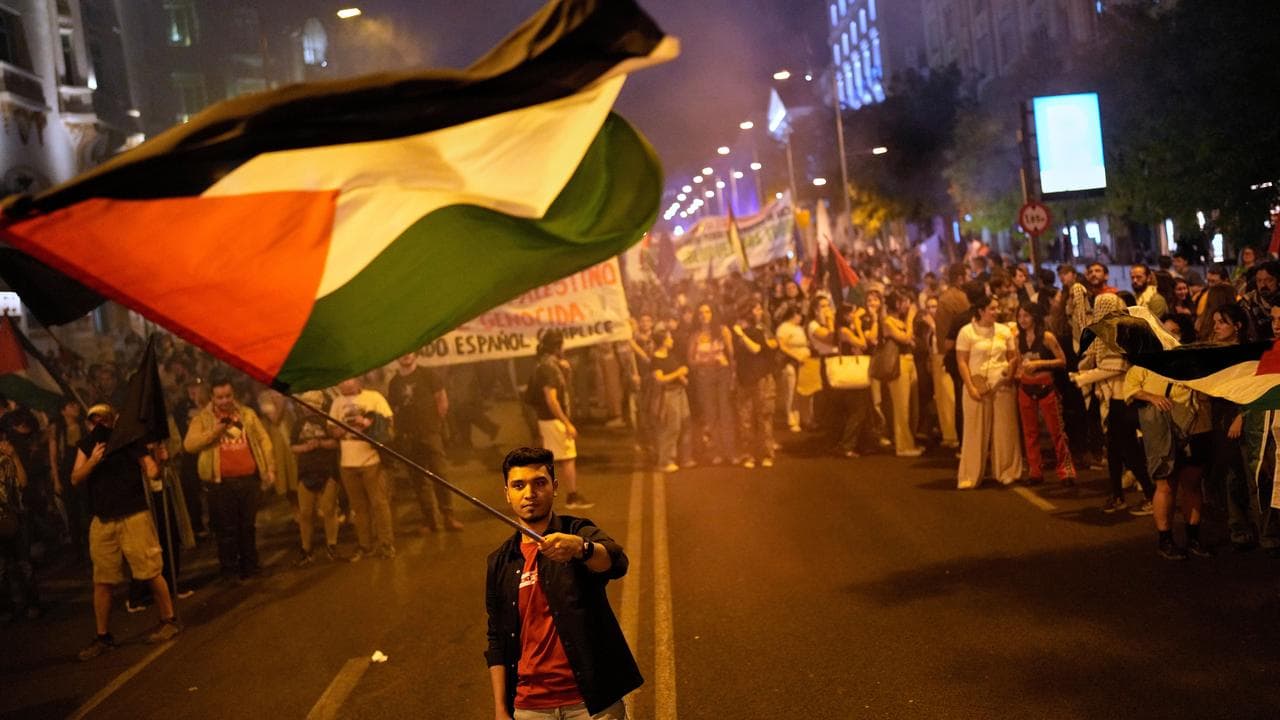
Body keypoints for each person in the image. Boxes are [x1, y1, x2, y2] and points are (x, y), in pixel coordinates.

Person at [485, 447, 640, 720]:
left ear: (554, 487)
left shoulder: (576, 531)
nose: (530, 493)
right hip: (530, 706)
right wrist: (500, 708)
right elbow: (497, 637)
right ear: (507, 493)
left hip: (591, 704)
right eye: (519, 486)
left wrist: (581, 548)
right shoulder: (500, 561)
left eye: (539, 483)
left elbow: (616, 562)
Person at [73, 404, 181, 660]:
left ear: (113, 420)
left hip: (134, 515)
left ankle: (169, 620)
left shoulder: (128, 442)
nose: (99, 424)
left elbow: (151, 471)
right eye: (94, 420)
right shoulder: (87, 445)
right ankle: (103, 637)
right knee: (102, 580)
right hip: (103, 520)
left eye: (103, 419)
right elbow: (75, 477)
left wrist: (158, 457)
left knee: (150, 570)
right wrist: (93, 461)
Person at [183, 377, 276, 580]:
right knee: (227, 529)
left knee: (248, 526)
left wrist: (269, 468)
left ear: (234, 395)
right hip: (221, 484)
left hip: (249, 480)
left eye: (228, 396)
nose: (225, 400)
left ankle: (250, 566)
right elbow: (189, 445)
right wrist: (214, 432)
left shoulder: (246, 414)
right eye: (220, 397)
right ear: (212, 397)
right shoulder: (203, 418)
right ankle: (230, 570)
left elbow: (263, 440)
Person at [1074, 294, 1155, 515]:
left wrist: (1082, 378)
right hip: (1115, 400)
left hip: (1123, 401)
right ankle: (1118, 495)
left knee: (1129, 452)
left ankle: (1151, 495)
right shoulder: (1111, 332)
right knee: (1114, 451)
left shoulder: (1119, 332)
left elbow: (1115, 367)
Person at [1125, 361, 1212, 561]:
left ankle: (1193, 538)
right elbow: (1130, 388)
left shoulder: (1197, 358)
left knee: (1192, 483)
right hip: (1165, 429)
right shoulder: (1147, 362)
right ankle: (1165, 540)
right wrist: (1151, 397)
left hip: (1198, 425)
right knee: (1165, 484)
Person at [388, 352, 463, 533]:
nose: (406, 356)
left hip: (430, 434)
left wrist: (435, 425)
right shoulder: (394, 383)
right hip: (408, 437)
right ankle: (430, 520)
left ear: (415, 354)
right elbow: (393, 408)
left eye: (409, 352)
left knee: (440, 474)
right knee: (418, 479)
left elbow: (441, 399)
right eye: (402, 353)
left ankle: (448, 516)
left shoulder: (428, 374)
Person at [955, 296, 1023, 489]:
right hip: (977, 385)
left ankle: (1007, 471)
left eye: (997, 308)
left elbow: (1012, 357)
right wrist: (970, 387)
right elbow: (962, 361)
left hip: (1001, 385)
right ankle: (970, 475)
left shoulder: (1004, 331)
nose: (996, 312)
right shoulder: (967, 332)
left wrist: (1009, 376)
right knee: (974, 431)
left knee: (1005, 430)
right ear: (981, 311)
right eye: (992, 309)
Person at [328, 377, 397, 560]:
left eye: (348, 380)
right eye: (341, 381)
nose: (344, 384)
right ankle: (365, 545)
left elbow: (389, 423)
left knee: (379, 504)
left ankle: (386, 544)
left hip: (372, 460)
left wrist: (366, 423)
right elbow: (332, 429)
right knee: (359, 508)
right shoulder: (337, 402)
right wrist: (344, 429)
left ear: (358, 380)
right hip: (348, 463)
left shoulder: (374, 397)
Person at [529, 330, 592, 510]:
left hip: (547, 419)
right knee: (568, 457)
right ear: (557, 347)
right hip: (553, 420)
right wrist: (566, 423)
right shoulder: (549, 368)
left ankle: (535, 496)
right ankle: (572, 497)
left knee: (551, 459)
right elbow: (552, 399)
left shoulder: (546, 364)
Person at [1013, 303, 1075, 486]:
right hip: (1026, 387)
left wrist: (1039, 364)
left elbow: (1062, 361)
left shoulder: (1047, 337)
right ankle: (1035, 471)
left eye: (1026, 315)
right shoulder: (1017, 338)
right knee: (1029, 432)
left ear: (1035, 316)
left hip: (1046, 386)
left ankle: (1066, 471)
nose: (1023, 320)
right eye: (1020, 316)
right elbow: (1019, 361)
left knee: (1057, 431)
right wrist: (1017, 371)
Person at [290, 391, 341, 565]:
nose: (307, 407)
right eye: (305, 403)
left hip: (327, 470)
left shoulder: (328, 421)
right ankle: (306, 549)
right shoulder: (298, 424)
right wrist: (305, 448)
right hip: (306, 472)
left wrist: (320, 444)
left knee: (329, 509)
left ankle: (332, 545)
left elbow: (336, 443)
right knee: (305, 513)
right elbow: (293, 446)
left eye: (311, 403)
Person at [732, 299, 778, 468]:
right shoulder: (737, 332)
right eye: (756, 309)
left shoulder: (759, 331)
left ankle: (766, 454)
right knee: (745, 419)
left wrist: (742, 335)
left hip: (761, 378)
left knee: (764, 416)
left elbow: (756, 349)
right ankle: (748, 454)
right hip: (744, 379)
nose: (760, 312)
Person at [688, 303, 736, 465]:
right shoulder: (695, 336)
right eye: (701, 312)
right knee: (711, 414)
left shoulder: (723, 331)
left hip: (722, 374)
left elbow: (732, 355)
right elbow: (690, 360)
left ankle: (730, 451)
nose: (704, 315)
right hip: (704, 376)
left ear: (713, 313)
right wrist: (704, 361)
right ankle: (718, 451)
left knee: (725, 412)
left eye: (707, 311)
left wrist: (732, 374)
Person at [881, 289, 923, 457]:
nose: (907, 305)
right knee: (901, 407)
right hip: (898, 364)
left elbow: (910, 339)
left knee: (913, 406)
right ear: (897, 303)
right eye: (904, 302)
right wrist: (911, 319)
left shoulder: (901, 320)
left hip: (909, 361)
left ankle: (910, 441)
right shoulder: (888, 322)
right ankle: (903, 446)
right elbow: (905, 338)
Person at [650, 329, 693, 473]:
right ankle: (665, 460)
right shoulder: (656, 359)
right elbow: (660, 379)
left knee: (685, 424)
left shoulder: (671, 355)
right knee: (671, 427)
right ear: (663, 341)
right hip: (668, 395)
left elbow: (677, 371)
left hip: (680, 393)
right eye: (669, 338)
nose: (672, 340)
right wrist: (678, 373)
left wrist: (683, 377)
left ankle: (686, 457)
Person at [921, 295, 958, 448]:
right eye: (929, 307)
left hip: (944, 359)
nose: (932, 310)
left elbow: (944, 342)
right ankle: (947, 434)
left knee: (949, 396)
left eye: (935, 306)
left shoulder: (944, 324)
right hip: (935, 360)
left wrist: (934, 326)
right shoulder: (928, 326)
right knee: (940, 399)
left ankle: (954, 434)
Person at [774, 302, 810, 433]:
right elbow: (782, 346)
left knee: (802, 391)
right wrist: (796, 356)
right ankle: (791, 417)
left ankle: (804, 417)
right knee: (791, 391)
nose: (800, 317)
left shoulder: (799, 328)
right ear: (792, 315)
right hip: (789, 362)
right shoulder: (783, 328)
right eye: (798, 315)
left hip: (803, 362)